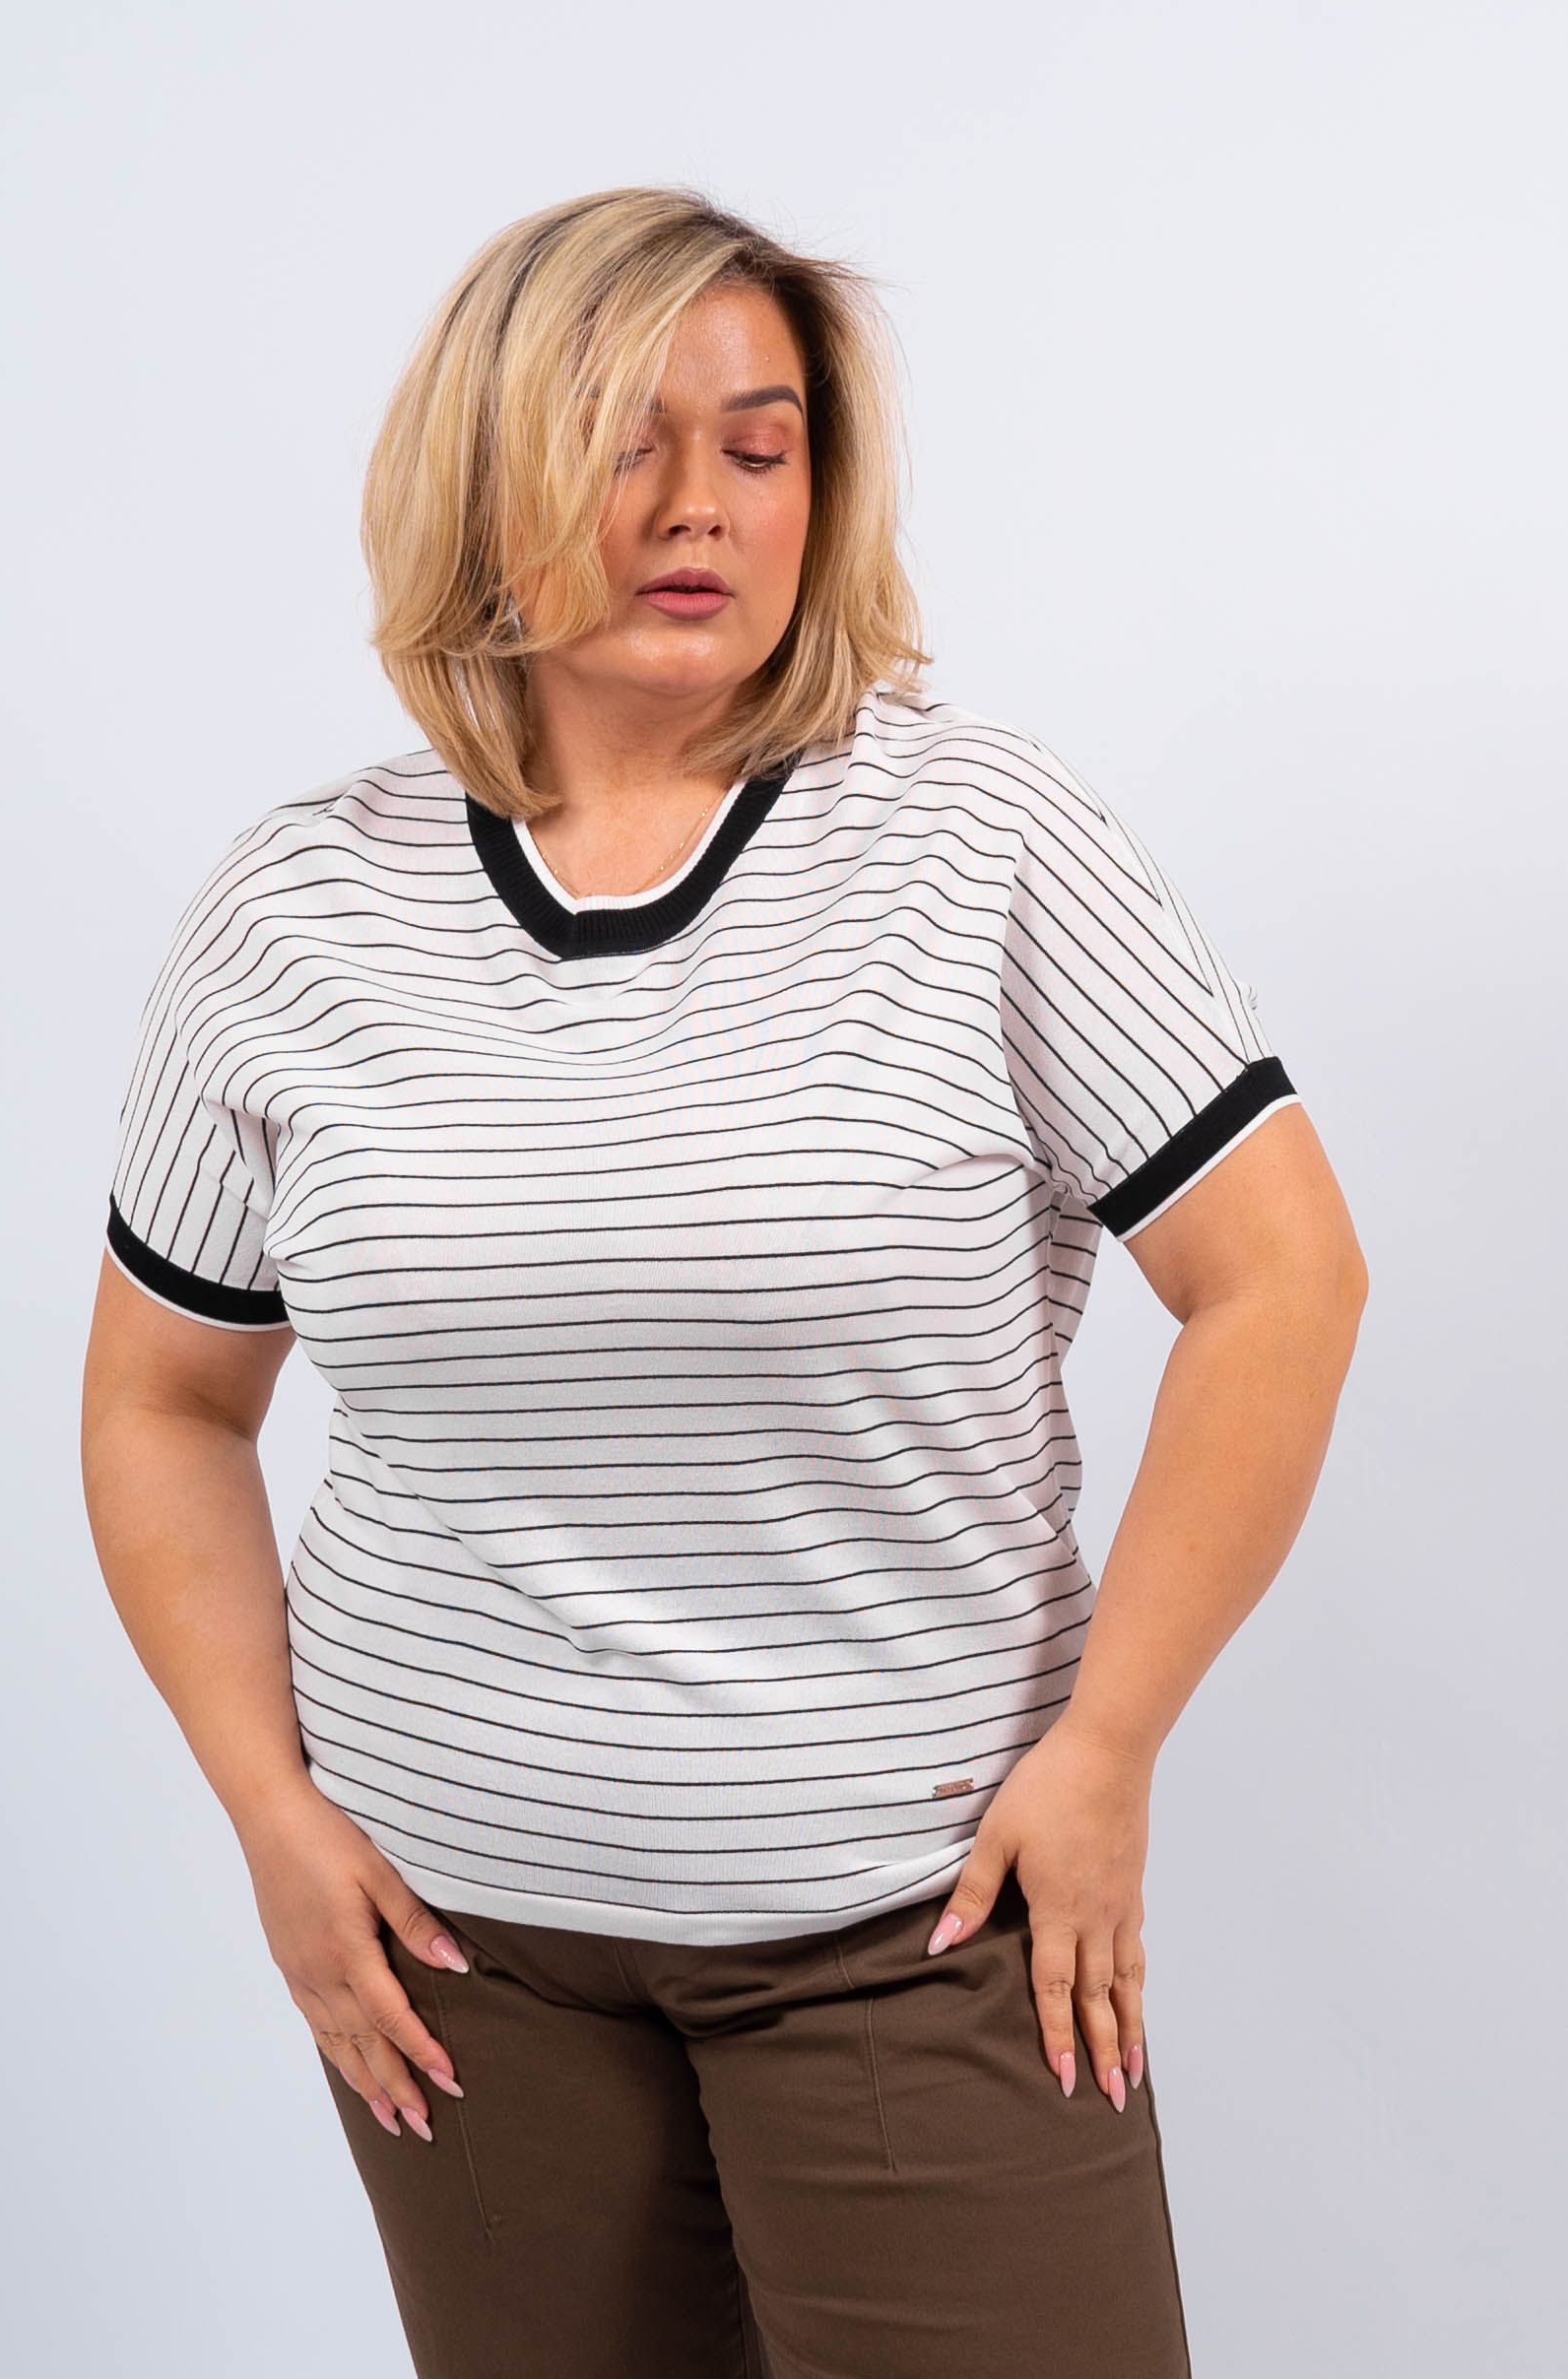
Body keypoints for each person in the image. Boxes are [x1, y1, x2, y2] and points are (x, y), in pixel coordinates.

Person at [80, 185, 1368, 2379]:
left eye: (761, 447)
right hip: (457, 1955)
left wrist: (1110, 1747)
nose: (703, 505)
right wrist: (269, 1812)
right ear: (484, 474)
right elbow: (161, 1398)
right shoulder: (296, 905)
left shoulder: (982, 840)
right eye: (626, 441)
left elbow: (1284, 1280)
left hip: (920, 1919)